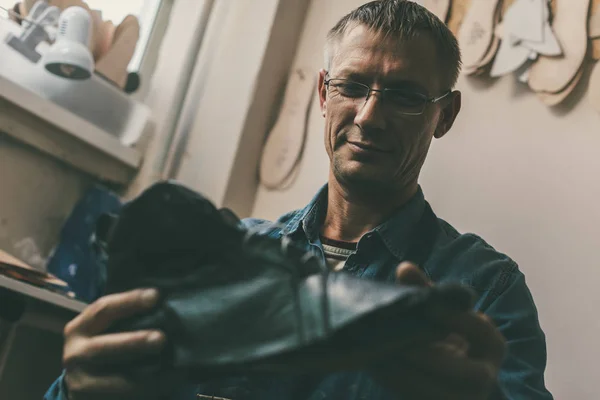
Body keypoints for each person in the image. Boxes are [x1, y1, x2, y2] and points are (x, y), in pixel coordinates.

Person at [44, 1, 554, 399]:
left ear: (444, 116)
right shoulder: (222, 250)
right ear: (323, 95)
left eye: (405, 96)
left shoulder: (487, 288)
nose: (370, 115)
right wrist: (78, 387)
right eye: (353, 85)